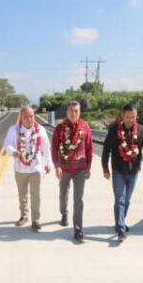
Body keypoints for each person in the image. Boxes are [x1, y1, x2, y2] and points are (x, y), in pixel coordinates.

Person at [101, 103, 143, 242]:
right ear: (122, 115)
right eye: (128, 117)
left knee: (126, 200)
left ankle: (121, 221)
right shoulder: (114, 130)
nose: (131, 120)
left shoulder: (142, 130)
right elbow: (106, 149)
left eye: (134, 117)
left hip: (134, 171)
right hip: (118, 170)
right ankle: (120, 229)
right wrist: (105, 168)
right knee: (120, 199)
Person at [4, 106, 52, 231]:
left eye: (31, 116)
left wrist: (48, 163)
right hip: (20, 169)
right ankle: (24, 216)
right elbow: (7, 143)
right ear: (21, 117)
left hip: (35, 168)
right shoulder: (14, 130)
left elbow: (46, 147)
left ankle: (35, 220)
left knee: (35, 195)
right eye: (26, 116)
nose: (29, 119)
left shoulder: (40, 129)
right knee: (22, 194)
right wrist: (13, 152)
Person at [51, 100, 93, 242]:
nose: (73, 113)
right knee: (63, 194)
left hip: (80, 169)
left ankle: (78, 229)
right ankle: (64, 213)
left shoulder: (86, 127)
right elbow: (54, 148)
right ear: (66, 112)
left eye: (76, 111)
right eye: (71, 111)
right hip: (64, 168)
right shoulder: (59, 129)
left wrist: (89, 167)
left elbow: (89, 148)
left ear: (79, 112)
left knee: (78, 199)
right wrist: (57, 166)